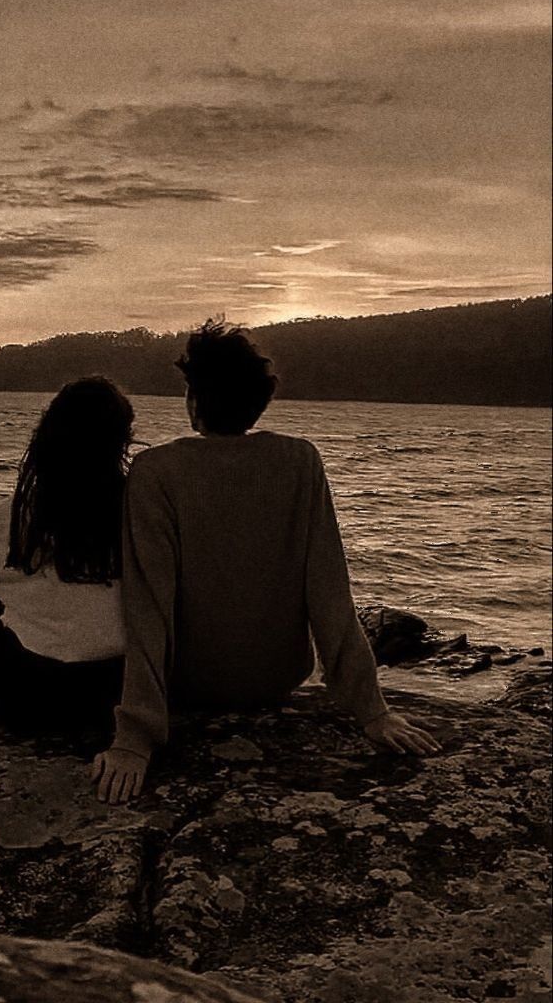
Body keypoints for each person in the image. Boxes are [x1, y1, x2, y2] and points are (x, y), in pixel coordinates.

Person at [93, 321, 440, 804]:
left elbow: (149, 606)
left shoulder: (156, 470)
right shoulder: (300, 461)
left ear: (194, 399)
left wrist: (134, 738)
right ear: (260, 401)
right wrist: (372, 711)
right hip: (275, 680)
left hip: (191, 686)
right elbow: (329, 591)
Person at [0, 377, 134, 732]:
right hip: (119, 691)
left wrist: (22, 569)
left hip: (29, 698)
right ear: (121, 441)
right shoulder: (140, 509)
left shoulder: (26, 513)